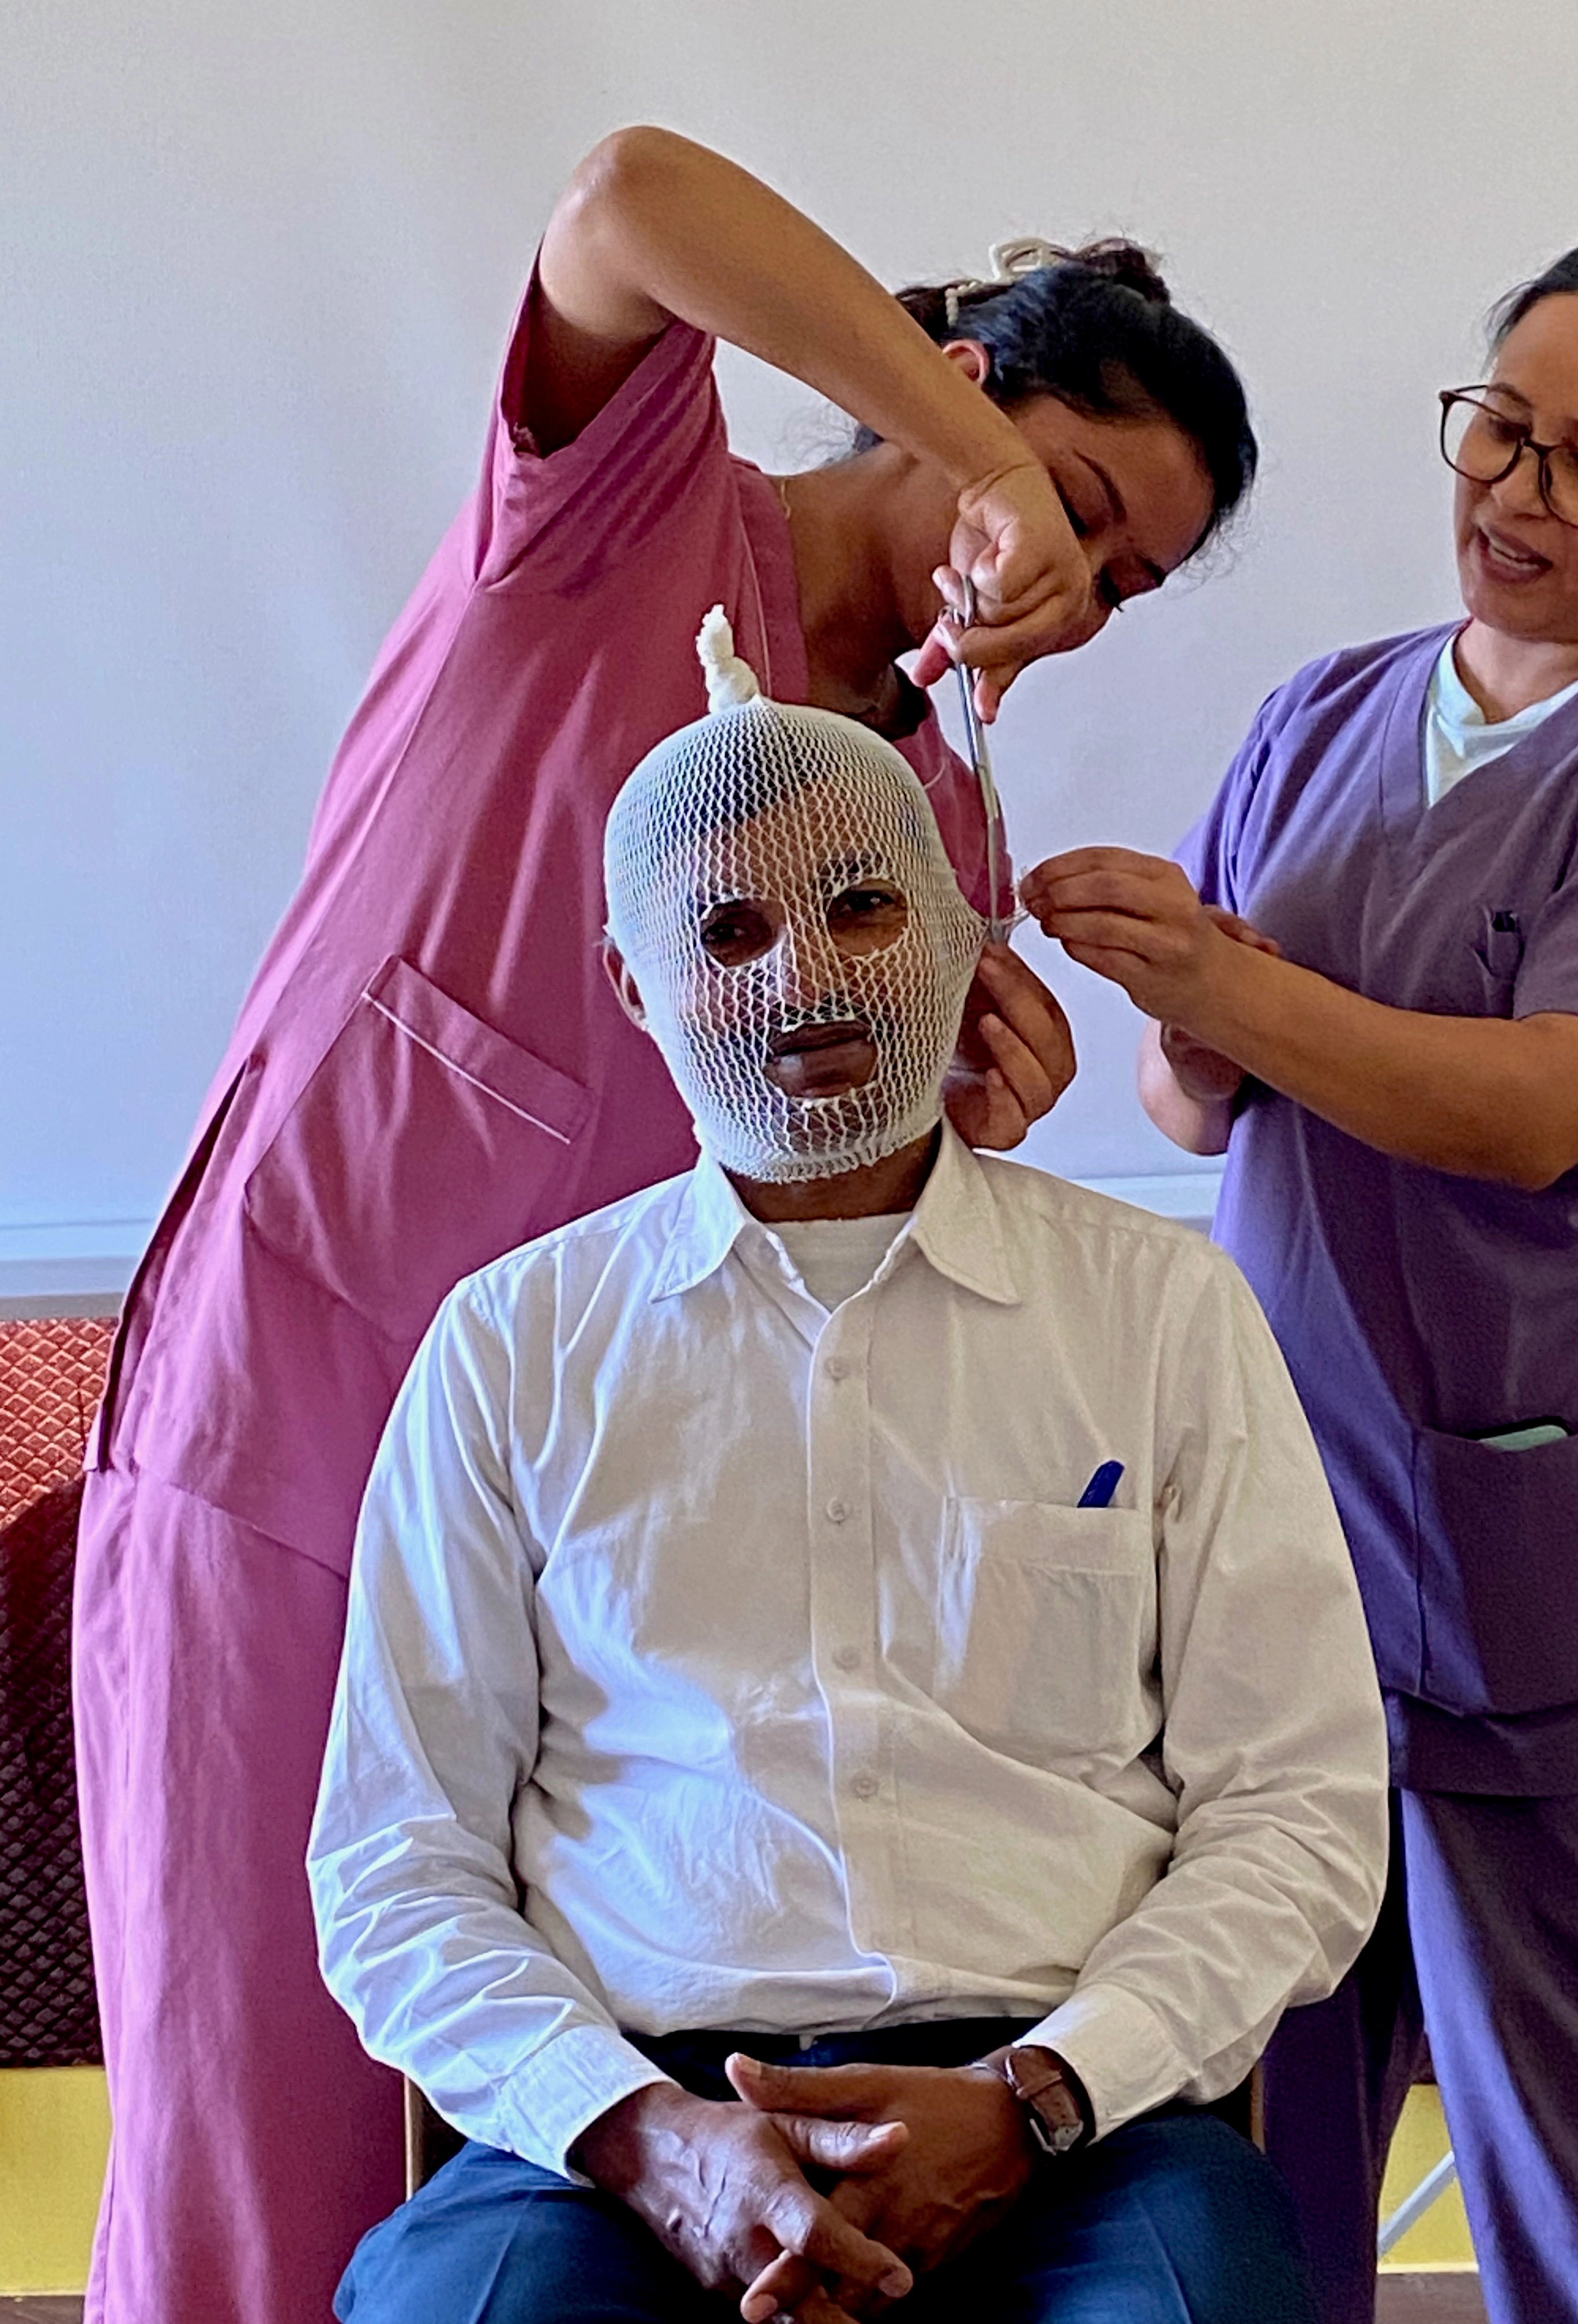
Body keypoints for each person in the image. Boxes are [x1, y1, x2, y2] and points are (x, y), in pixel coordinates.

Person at [71, 127, 1262, 2324]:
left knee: (552, 2191)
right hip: (291, 1437)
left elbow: (856, 1272)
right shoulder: (621, 511)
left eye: (1125, 583)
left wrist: (982, 1119)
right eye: (1078, 503)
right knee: (257, 2127)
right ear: (963, 370)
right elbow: (626, 199)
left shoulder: (930, 815)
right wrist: (973, 465)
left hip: (605, 1591)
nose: (1074, 590)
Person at [306, 614, 1389, 2324]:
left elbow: (1298, 1812)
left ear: (960, 930)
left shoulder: (1158, 1312)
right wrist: (646, 2139)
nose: (807, 981)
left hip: (1072, 2133)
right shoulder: (513, 1347)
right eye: (728, 931)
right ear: (633, 985)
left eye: (866, 908)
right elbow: (395, 1863)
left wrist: (1040, 2096)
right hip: (622, 2129)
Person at [1020, 217, 1578, 2324]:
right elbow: (1198, 1113)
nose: (1515, 498)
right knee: (1262, 2158)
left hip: (1555, 1546)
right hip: (1284, 1537)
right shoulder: (1324, 713)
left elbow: (1537, 1105)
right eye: (1497, 431)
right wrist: (1167, 1013)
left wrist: (1234, 979)